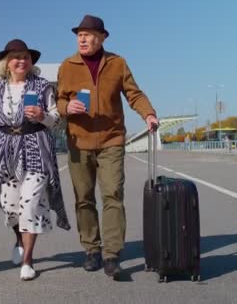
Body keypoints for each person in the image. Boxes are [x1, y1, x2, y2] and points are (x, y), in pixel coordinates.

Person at [0, 39, 70, 281]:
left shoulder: (41, 87)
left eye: (26, 57)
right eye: (16, 57)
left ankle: (28, 261)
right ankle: (19, 240)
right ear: (6, 63)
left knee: (30, 205)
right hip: (5, 151)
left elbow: (56, 119)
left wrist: (42, 116)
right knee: (12, 208)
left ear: (30, 62)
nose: (21, 61)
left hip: (35, 148)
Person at [56, 14, 159, 278]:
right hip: (79, 141)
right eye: (79, 34)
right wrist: (68, 107)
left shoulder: (117, 63)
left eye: (88, 34)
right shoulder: (67, 66)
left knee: (113, 193)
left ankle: (112, 254)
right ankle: (92, 249)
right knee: (84, 198)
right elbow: (58, 101)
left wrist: (148, 114)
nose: (82, 38)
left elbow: (133, 93)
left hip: (111, 139)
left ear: (101, 38)